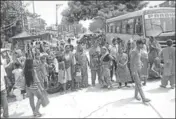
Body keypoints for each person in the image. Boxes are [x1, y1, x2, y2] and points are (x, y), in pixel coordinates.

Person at [130, 39, 151, 104]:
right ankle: (144, 98)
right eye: (141, 44)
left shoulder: (139, 50)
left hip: (139, 69)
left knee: (137, 83)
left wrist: (141, 63)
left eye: (143, 44)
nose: (142, 45)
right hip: (135, 70)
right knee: (139, 84)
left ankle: (136, 95)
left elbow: (138, 59)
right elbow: (131, 62)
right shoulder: (134, 51)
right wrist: (133, 71)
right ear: (137, 44)